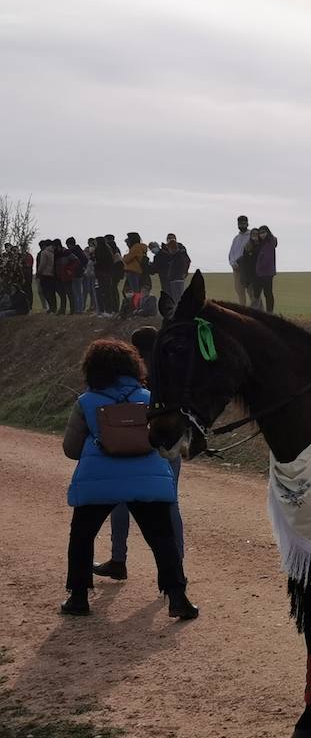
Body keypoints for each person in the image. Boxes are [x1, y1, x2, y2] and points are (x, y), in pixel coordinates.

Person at [61, 339, 197, 619]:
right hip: (146, 479)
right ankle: (177, 597)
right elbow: (168, 443)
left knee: (82, 535)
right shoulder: (149, 399)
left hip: (99, 480)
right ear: (133, 367)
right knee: (162, 538)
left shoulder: (86, 402)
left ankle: (78, 597)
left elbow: (71, 449)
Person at [95, 326, 185, 581]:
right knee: (170, 505)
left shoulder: (127, 374)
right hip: (167, 446)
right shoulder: (173, 372)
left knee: (121, 501)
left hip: (132, 445)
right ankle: (177, 566)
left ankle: (118, 559)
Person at [228, 215, 252, 305]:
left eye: (243, 223)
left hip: (247, 269)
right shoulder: (236, 238)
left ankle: (257, 311)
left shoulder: (251, 236)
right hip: (236, 269)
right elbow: (231, 254)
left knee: (251, 292)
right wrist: (232, 263)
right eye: (240, 223)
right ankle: (243, 311)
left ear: (247, 223)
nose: (241, 225)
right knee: (239, 291)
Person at [254, 225, 278, 314]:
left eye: (263, 232)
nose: (262, 235)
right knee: (263, 293)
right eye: (260, 233)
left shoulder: (270, 242)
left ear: (267, 232)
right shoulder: (262, 243)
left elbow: (267, 258)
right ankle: (266, 311)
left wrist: (259, 268)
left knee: (267, 293)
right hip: (263, 272)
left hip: (267, 272)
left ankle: (269, 312)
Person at [165, 233, 191, 304]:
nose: (170, 239)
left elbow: (187, 261)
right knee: (174, 297)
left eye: (172, 238)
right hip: (171, 277)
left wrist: (185, 272)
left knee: (178, 297)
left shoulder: (181, 251)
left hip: (177, 277)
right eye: (168, 238)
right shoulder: (167, 249)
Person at [123, 232, 147, 302]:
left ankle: (137, 306)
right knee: (136, 290)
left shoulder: (135, 247)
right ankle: (137, 305)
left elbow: (127, 260)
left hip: (133, 271)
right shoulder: (141, 247)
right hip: (138, 271)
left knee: (134, 291)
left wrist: (124, 256)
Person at [35, 240, 57, 313]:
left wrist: (38, 273)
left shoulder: (44, 253)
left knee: (45, 292)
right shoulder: (54, 252)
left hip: (45, 274)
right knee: (52, 292)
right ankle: (54, 307)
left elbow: (42, 264)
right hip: (52, 274)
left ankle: (51, 307)